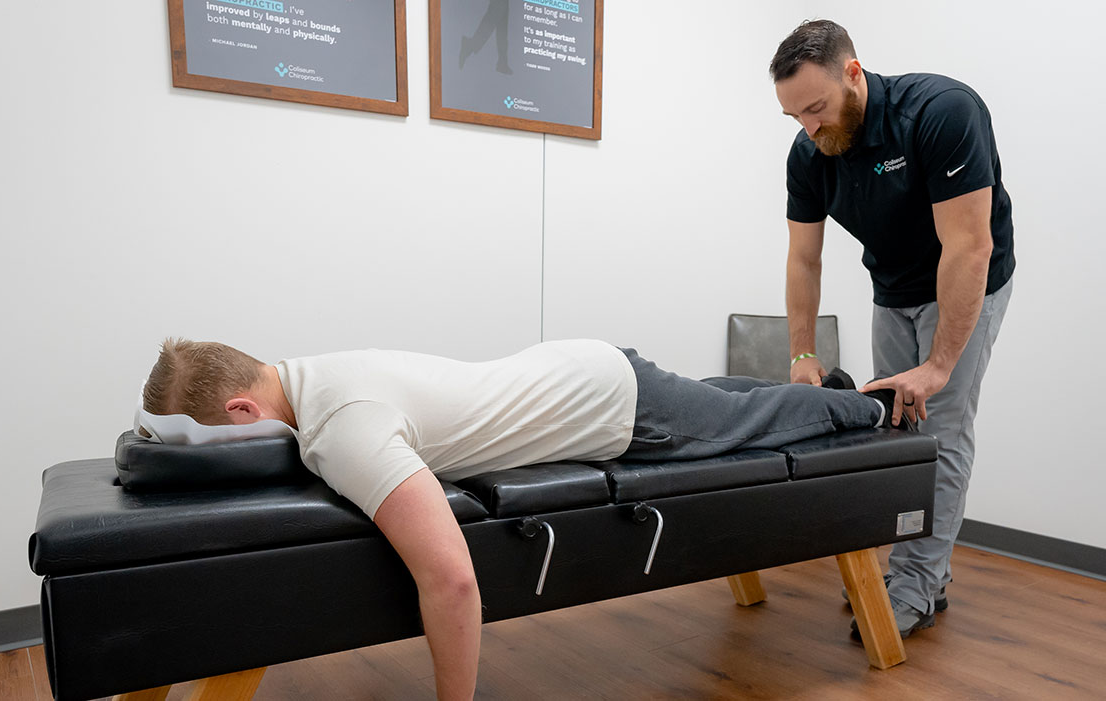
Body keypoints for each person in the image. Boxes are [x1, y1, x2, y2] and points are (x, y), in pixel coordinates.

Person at [142, 337, 907, 700]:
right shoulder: (310, 372)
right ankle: (828, 391)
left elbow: (450, 580)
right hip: (583, 365)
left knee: (752, 420)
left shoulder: (344, 429)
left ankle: (866, 403)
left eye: (217, 440)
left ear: (243, 406)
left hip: (616, 407)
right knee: (730, 404)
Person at [770, 20, 1015, 638]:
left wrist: (937, 366)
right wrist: (803, 351)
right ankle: (924, 570)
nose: (809, 127)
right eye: (795, 115)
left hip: (968, 279)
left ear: (853, 73)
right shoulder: (810, 153)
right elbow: (804, 258)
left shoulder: (941, 113)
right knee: (895, 430)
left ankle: (914, 584)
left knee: (942, 429)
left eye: (817, 108)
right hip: (894, 289)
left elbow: (969, 247)